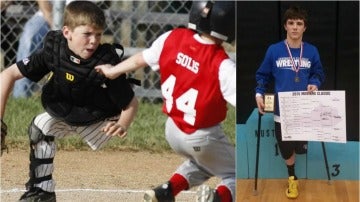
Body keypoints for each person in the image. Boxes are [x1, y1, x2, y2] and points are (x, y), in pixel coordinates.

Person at [96, 1, 236, 202]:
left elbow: (139, 60)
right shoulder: (222, 64)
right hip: (202, 136)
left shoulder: (172, 37)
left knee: (205, 162)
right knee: (240, 172)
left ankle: (166, 190)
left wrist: (112, 70)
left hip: (172, 130)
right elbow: (248, 103)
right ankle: (217, 198)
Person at [0, 1, 138, 201]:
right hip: (67, 111)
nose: (94, 41)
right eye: (87, 34)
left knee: (45, 125)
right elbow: (8, 75)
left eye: (98, 34)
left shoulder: (104, 61)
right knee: (40, 126)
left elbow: (131, 102)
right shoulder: (55, 50)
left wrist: (122, 124)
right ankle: (42, 191)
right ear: (67, 32)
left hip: (101, 121)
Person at [255, 5, 325, 199]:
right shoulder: (274, 50)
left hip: (304, 111)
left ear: (304, 28)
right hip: (281, 112)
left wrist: (314, 83)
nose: (295, 27)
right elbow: (262, 75)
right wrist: (259, 94)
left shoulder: (311, 51)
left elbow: (318, 73)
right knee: (286, 150)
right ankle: (292, 179)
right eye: (291, 23)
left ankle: (294, 173)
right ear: (285, 26)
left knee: (299, 149)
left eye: (299, 23)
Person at [13, 0, 53, 98]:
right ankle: (21, 97)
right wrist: (53, 22)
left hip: (83, 15)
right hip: (48, 15)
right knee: (30, 35)